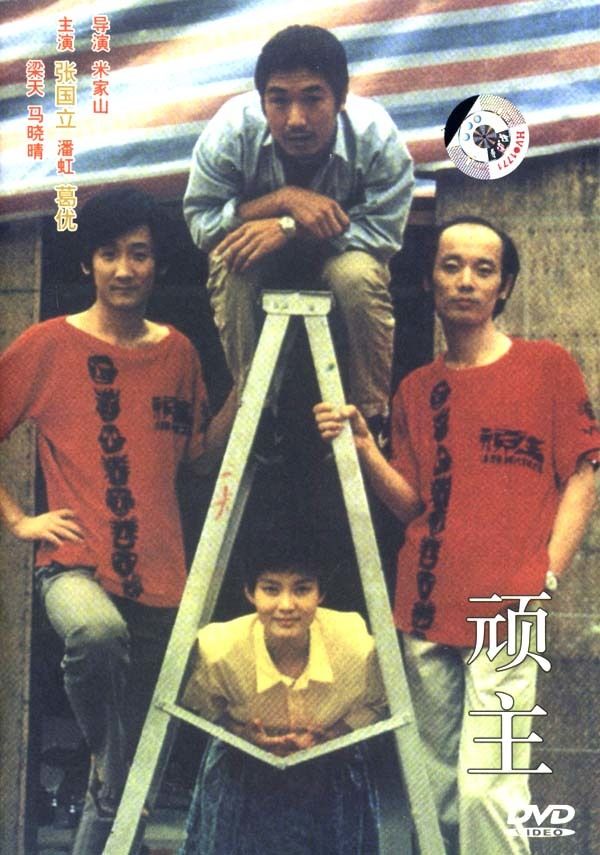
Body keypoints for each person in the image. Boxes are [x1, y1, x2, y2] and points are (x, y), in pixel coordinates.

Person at [314, 216, 599, 853]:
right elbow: (413, 503)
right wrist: (364, 448)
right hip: (424, 607)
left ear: (504, 287)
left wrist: (545, 575)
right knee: (435, 792)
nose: (466, 281)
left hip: (507, 609)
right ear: (430, 280)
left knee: (488, 792)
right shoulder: (417, 390)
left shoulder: (547, 366)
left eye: (483, 269)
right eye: (451, 266)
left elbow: (584, 475)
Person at [0, 186, 235, 855]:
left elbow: (196, 459)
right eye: (109, 254)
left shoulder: (179, 352)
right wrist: (19, 520)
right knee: (95, 634)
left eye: (139, 254)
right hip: (73, 564)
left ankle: (106, 784)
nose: (124, 269)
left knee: (121, 787)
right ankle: (105, 750)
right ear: (88, 263)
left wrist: (245, 393)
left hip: (162, 578)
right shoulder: (48, 343)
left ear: (157, 265)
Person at [183, 24, 414, 440]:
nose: (296, 119)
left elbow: (383, 233)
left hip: (341, 256)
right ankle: (258, 413)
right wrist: (281, 201)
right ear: (261, 100)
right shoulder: (231, 130)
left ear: (341, 98)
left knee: (359, 276)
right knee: (230, 262)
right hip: (258, 257)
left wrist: (289, 229)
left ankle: (370, 419)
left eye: (312, 98)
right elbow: (202, 224)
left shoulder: (376, 135)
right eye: (279, 100)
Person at [179, 547, 388, 854]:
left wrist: (333, 736)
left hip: (332, 771)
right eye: (271, 589)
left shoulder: (355, 645)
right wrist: (242, 735)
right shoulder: (218, 649)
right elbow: (204, 708)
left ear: (320, 593)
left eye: (302, 590)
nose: (286, 605)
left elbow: (378, 703)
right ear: (250, 593)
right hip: (241, 769)